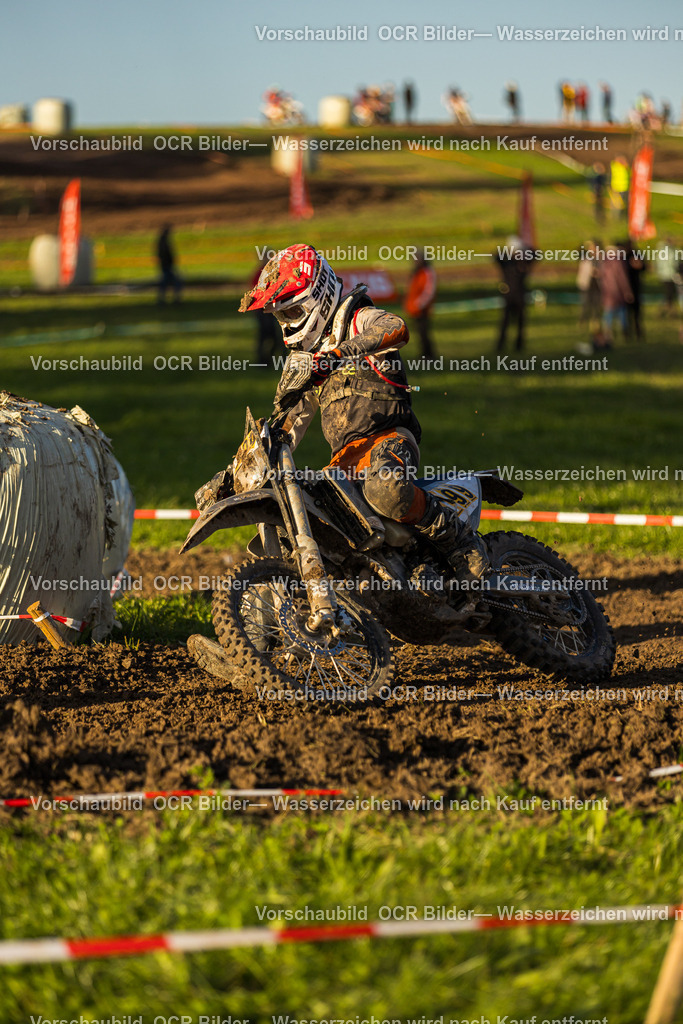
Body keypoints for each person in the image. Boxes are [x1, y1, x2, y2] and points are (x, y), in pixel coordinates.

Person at [237, 244, 490, 581]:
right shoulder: (307, 361)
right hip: (344, 462)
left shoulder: (357, 319)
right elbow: (288, 423)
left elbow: (396, 327)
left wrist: (337, 355)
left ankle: (460, 542)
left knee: (386, 488)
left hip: (388, 440)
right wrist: (242, 468)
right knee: (309, 516)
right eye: (282, 316)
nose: (287, 323)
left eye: (293, 312)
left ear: (318, 295)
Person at [494, 237, 535, 352]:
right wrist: (508, 252)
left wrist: (525, 251)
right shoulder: (507, 262)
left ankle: (519, 345)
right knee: (505, 321)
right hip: (508, 295)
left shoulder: (524, 262)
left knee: (520, 322)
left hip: (520, 295)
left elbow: (536, 254)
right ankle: (500, 346)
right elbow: (496, 256)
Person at [404, 249, 437, 360]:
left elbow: (429, 291)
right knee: (419, 334)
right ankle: (424, 354)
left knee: (424, 333)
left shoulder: (427, 272)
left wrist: (419, 304)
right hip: (414, 309)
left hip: (422, 309)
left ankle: (429, 355)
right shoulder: (416, 273)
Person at [248, 257, 281, 366]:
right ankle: (263, 360)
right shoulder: (260, 273)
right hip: (262, 310)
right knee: (265, 335)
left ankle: (269, 358)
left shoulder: (274, 272)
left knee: (274, 336)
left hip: (272, 309)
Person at [598, 245, 632, 346]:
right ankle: (624, 331)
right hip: (618, 292)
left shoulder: (603, 262)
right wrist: (627, 291)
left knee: (608, 314)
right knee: (622, 312)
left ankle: (608, 332)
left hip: (607, 292)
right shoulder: (619, 262)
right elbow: (622, 278)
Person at [655, 238, 680, 316]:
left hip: (663, 275)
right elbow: (674, 263)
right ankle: (665, 310)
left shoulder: (660, 251)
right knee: (669, 294)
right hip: (670, 275)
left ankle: (669, 310)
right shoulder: (671, 252)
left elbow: (657, 263)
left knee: (668, 294)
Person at [156, 225, 181, 304]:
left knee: (166, 283)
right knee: (174, 282)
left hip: (166, 265)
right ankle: (174, 300)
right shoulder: (163, 242)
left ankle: (163, 299)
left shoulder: (161, 241)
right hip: (167, 266)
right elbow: (165, 254)